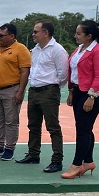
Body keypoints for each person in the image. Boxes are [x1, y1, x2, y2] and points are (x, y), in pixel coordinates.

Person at [16, 20, 69, 173]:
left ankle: (57, 160)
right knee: (33, 125)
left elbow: (63, 74)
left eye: (35, 31)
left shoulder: (57, 50)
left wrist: (52, 86)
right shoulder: (36, 50)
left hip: (48, 91)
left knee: (52, 127)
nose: (33, 34)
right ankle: (33, 154)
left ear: (45, 33)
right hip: (34, 90)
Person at [61, 20, 99, 179]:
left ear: (89, 36)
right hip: (78, 91)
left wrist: (91, 96)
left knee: (83, 130)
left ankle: (76, 164)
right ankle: (88, 162)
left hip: (93, 94)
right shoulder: (79, 49)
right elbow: (74, 72)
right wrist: (71, 91)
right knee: (84, 128)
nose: (75, 36)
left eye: (79, 33)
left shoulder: (98, 51)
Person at [0, 23, 31, 161]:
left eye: (2, 35)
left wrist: (20, 92)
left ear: (12, 36)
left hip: (12, 89)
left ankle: (9, 148)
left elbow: (25, 71)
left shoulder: (21, 49)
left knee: (11, 121)